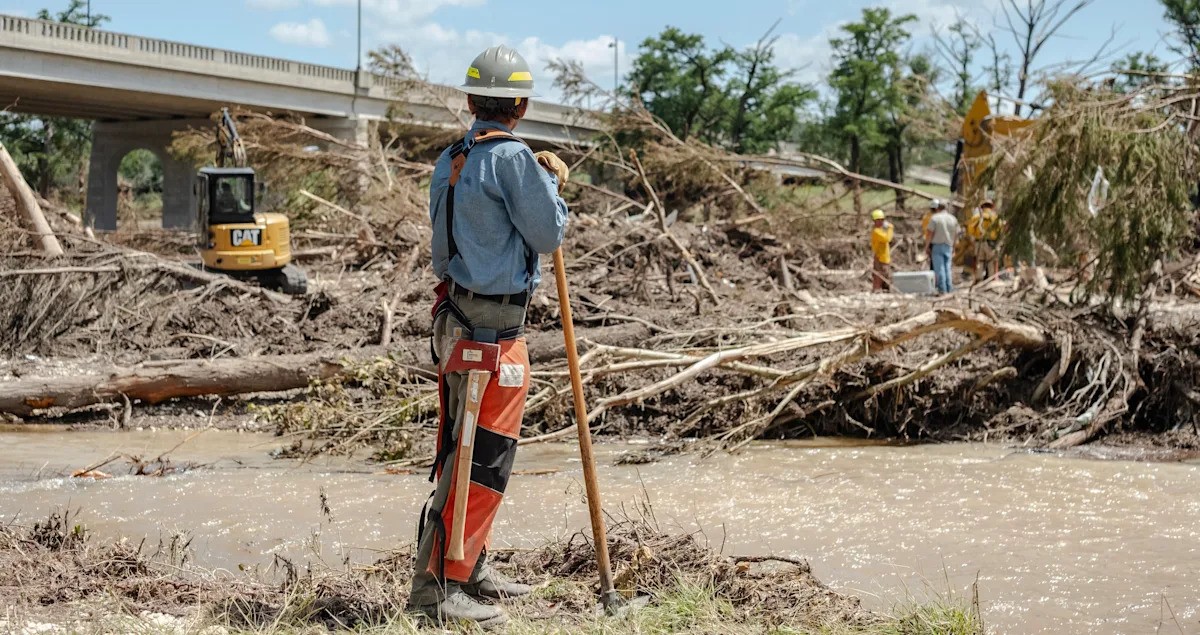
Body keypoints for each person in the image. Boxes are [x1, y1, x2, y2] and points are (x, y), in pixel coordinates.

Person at [408, 44, 569, 627]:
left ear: (472, 100)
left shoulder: (451, 157)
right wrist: (553, 187)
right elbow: (548, 234)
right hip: (489, 330)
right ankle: (433, 591)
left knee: (475, 454)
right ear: (520, 105)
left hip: (456, 320)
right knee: (473, 460)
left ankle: (469, 565)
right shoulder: (512, 158)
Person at [928, 201, 960, 294]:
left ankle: (942, 289)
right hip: (948, 245)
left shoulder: (935, 218)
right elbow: (956, 234)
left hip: (937, 245)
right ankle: (949, 288)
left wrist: (927, 246)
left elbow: (930, 233)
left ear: (937, 208)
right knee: (947, 268)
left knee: (939, 268)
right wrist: (954, 247)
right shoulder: (953, 219)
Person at [974, 200, 1002, 279]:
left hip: (979, 242)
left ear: (982, 207)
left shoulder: (977, 217)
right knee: (991, 262)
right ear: (992, 207)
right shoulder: (995, 217)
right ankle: (991, 281)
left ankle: (978, 280)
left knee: (979, 262)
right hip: (991, 243)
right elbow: (1001, 229)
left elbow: (970, 230)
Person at [869, 209, 893, 292]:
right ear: (875, 221)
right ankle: (876, 289)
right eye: (879, 220)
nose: (881, 222)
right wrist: (890, 228)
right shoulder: (876, 231)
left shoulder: (880, 231)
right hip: (880, 257)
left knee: (884, 274)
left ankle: (882, 289)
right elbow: (887, 238)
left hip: (884, 257)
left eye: (882, 220)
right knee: (879, 274)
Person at [921, 200, 939, 271]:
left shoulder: (926, 217)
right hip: (937, 241)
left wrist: (926, 245)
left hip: (929, 241)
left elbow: (925, 231)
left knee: (932, 261)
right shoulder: (938, 217)